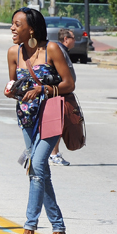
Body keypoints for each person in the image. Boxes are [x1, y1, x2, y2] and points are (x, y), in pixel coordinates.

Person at [5, 7, 73, 234]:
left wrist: (44, 88)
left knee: (37, 166)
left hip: (51, 115)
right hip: (26, 118)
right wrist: (11, 91)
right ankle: (59, 227)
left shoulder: (51, 49)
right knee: (40, 172)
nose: (12, 28)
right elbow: (15, 85)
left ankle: (29, 227)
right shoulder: (14, 52)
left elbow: (69, 83)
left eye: (17, 24)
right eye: (12, 24)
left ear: (31, 29)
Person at [48, 28, 75, 166]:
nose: (74, 41)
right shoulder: (59, 51)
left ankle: (53, 153)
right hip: (59, 92)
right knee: (57, 124)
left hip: (61, 92)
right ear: (66, 39)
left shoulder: (62, 50)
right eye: (73, 38)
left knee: (59, 124)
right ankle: (53, 154)